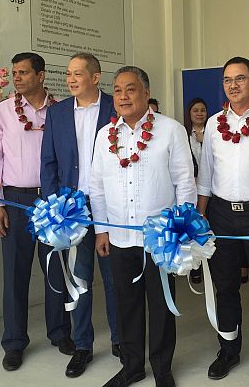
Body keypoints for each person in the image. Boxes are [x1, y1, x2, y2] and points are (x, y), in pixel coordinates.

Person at [90, 66, 196, 387]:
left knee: (162, 305)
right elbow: (96, 187)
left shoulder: (171, 130)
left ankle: (162, 369)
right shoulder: (104, 136)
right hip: (120, 237)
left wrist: (180, 230)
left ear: (146, 94)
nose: (123, 96)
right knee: (127, 305)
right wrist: (101, 230)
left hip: (160, 239)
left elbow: (185, 183)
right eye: (118, 90)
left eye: (131, 89)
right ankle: (132, 366)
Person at [0, 52, 74, 371]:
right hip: (16, 200)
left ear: (41, 75)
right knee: (15, 274)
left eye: (23, 73)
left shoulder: (62, 110)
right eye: (14, 73)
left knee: (56, 269)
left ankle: (60, 332)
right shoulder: (2, 112)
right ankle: (14, 342)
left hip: (52, 201)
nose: (17, 78)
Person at [197, 56, 249, 385]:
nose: (233, 85)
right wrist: (200, 217)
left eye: (240, 78)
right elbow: (205, 176)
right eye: (228, 80)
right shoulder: (215, 124)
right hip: (221, 215)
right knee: (226, 287)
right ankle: (228, 350)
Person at [40, 52, 119, 378]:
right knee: (79, 279)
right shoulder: (57, 112)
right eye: (68, 74)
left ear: (95, 77)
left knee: (115, 278)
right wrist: (53, 206)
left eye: (78, 74)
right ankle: (83, 344)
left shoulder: (116, 106)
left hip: (110, 206)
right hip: (73, 208)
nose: (71, 79)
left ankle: (121, 340)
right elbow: (49, 162)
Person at [184, 97, 208, 284]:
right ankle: (195, 268)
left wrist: (204, 140)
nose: (199, 114)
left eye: (202, 110)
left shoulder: (215, 131)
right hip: (192, 188)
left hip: (210, 189)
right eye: (195, 110)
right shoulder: (183, 134)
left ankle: (212, 266)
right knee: (194, 229)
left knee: (211, 229)